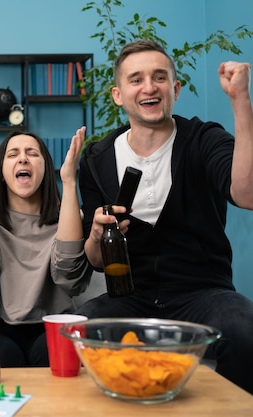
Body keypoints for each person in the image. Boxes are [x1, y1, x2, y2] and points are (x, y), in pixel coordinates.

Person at [77, 39, 253, 393]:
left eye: (159, 78)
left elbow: (246, 194)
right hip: (129, 296)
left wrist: (240, 102)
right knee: (73, 333)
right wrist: (97, 234)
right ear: (118, 94)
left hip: (203, 292)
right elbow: (95, 262)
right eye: (136, 79)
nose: (148, 87)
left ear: (174, 89)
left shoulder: (204, 139)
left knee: (245, 329)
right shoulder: (96, 159)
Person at [0, 126, 92, 367]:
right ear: (1, 172)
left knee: (51, 354)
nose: (23, 157)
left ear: (45, 168)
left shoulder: (69, 220)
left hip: (53, 324)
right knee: (1, 357)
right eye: (12, 154)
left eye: (32, 153)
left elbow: (69, 276)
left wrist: (69, 180)